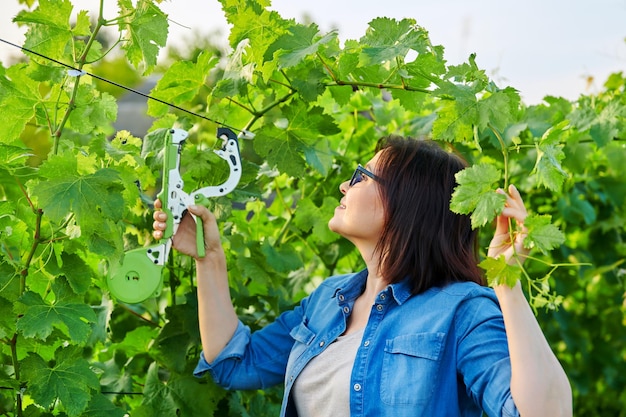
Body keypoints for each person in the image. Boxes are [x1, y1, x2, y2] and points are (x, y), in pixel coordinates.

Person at [152, 135, 572, 417]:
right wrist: (210, 259)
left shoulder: (461, 310)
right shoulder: (328, 300)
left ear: (407, 202)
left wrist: (508, 286)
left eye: (360, 177)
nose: (343, 187)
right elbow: (235, 362)